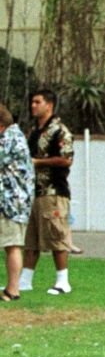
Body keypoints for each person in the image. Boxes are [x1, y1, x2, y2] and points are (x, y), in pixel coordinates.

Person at [20, 88, 75, 296]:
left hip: (53, 191)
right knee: (31, 238)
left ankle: (63, 280)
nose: (33, 106)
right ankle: (25, 279)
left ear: (49, 105)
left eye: (37, 102)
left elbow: (66, 159)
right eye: (32, 102)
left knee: (56, 236)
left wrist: (38, 162)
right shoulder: (35, 131)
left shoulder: (59, 130)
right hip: (35, 192)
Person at [0, 103, 34, 302]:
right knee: (11, 245)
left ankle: (13, 290)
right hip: (13, 202)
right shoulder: (14, 136)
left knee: (12, 245)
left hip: (11, 203)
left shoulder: (10, 139)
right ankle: (12, 288)